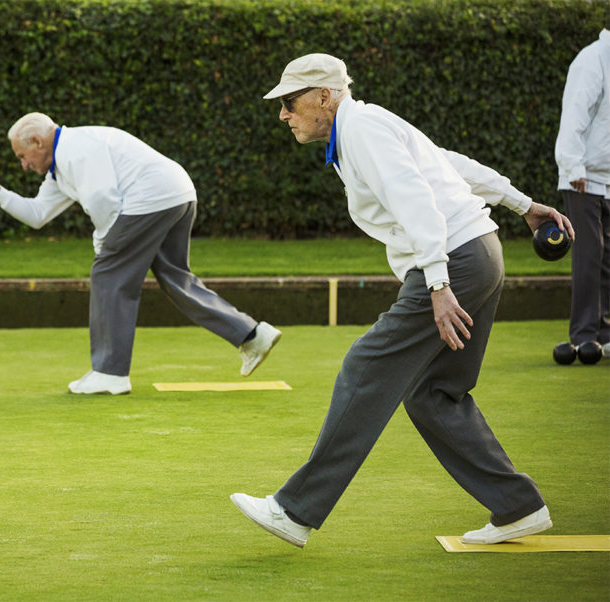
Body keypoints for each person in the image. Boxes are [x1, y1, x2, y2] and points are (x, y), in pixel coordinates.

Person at [230, 53, 576, 548]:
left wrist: (437, 284)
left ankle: (294, 510)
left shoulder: (363, 130)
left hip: (454, 261)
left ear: (324, 96)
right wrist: (521, 203)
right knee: (435, 393)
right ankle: (517, 506)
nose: (284, 114)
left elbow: (416, 197)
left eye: (290, 102)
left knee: (365, 366)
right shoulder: (362, 128)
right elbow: (446, 164)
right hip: (480, 253)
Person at [0, 113, 281, 395]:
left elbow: (103, 199)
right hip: (178, 193)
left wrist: (104, 248)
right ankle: (253, 335)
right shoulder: (59, 168)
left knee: (107, 273)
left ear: (36, 140)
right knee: (175, 278)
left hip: (150, 199)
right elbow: (37, 214)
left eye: (23, 156)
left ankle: (109, 373)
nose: (23, 164)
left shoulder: (76, 148)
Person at [555, 29, 610, 361]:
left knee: (607, 259)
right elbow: (575, 114)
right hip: (583, 178)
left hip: (607, 177)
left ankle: (604, 332)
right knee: (589, 257)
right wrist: (572, 166)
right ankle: (584, 335)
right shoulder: (592, 59)